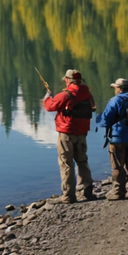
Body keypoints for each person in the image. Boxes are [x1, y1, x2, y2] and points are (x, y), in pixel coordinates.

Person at [43, 69, 96, 203]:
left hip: (66, 134)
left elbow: (49, 107)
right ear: (80, 80)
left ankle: (68, 195)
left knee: (66, 164)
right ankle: (88, 191)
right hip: (82, 134)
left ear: (67, 80)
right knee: (82, 161)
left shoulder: (65, 95)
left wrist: (47, 97)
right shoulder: (88, 94)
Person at [96, 77, 128, 200]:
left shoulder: (115, 101)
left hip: (117, 138)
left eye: (115, 88)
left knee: (118, 166)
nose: (114, 90)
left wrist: (98, 118)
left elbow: (105, 120)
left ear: (119, 89)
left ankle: (118, 192)